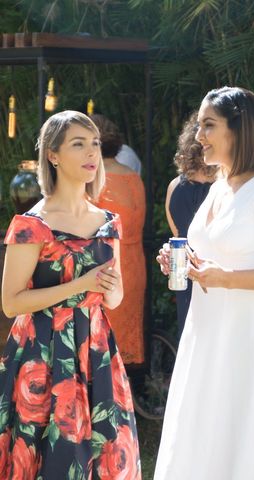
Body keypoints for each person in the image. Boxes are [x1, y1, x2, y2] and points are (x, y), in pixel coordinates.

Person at [154, 86, 254, 479]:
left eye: (208, 125)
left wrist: (226, 279)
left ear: (239, 129)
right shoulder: (217, 189)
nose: (198, 136)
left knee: (250, 441)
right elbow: (212, 254)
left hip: (253, 342)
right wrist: (183, 261)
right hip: (208, 336)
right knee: (205, 439)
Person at [0, 110, 140, 478]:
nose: (92, 153)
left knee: (103, 453)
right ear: (54, 155)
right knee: (51, 456)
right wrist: (80, 285)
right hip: (42, 354)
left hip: (95, 351)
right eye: (79, 144)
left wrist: (108, 290)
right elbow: (11, 302)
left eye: (94, 144)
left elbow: (115, 297)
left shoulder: (109, 222)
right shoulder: (32, 224)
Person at [92, 114, 146, 366]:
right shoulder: (132, 177)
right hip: (135, 262)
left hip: (109, 265)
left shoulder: (96, 181)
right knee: (123, 339)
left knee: (103, 341)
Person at [165, 112, 217, 338]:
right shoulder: (224, 189)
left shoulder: (174, 187)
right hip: (219, 276)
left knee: (190, 340)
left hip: (185, 275)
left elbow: (177, 235)